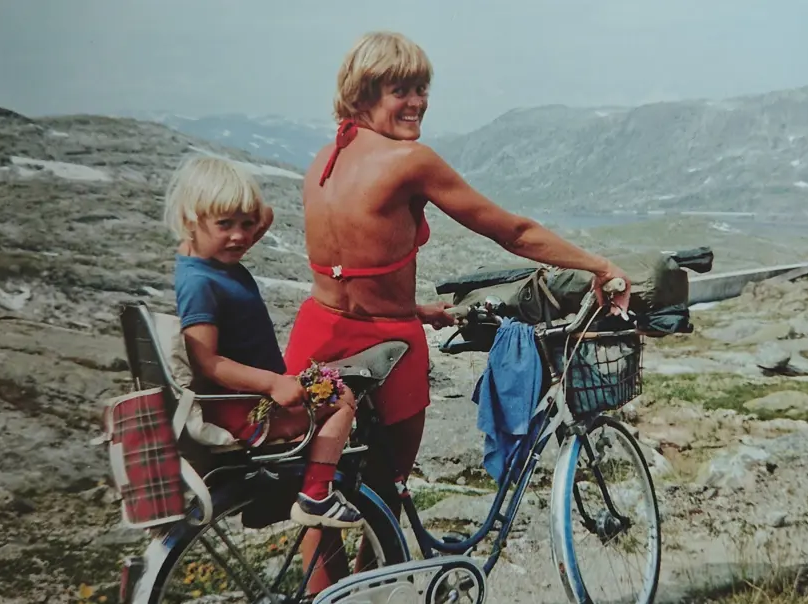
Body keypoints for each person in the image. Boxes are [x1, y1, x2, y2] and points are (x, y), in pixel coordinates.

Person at [284, 30, 633, 592]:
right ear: (364, 93)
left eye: (422, 88)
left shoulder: (325, 160)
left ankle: (319, 593)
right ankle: (368, 592)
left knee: (323, 487)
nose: (418, 102)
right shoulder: (407, 162)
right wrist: (598, 266)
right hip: (389, 350)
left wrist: (419, 307)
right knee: (387, 487)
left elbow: (347, 274)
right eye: (401, 90)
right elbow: (512, 232)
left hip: (317, 336)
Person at [164, 154, 364, 529]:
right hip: (246, 409)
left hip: (244, 400)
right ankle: (316, 496)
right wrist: (273, 382)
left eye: (246, 223)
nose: (241, 236)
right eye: (225, 224)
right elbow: (207, 362)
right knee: (343, 401)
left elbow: (265, 214)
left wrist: (238, 211)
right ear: (192, 221)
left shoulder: (208, 257)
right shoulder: (200, 284)